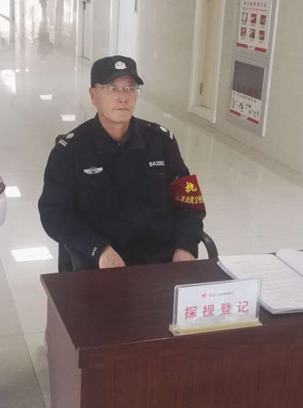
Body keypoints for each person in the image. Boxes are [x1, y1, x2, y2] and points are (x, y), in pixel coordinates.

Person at [38, 55, 206, 270]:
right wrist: (97, 249)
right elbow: (54, 214)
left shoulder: (161, 141)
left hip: (160, 260)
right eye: (112, 88)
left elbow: (188, 201)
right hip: (101, 263)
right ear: (93, 95)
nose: (123, 97)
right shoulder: (70, 151)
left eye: (130, 89)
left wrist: (186, 246)